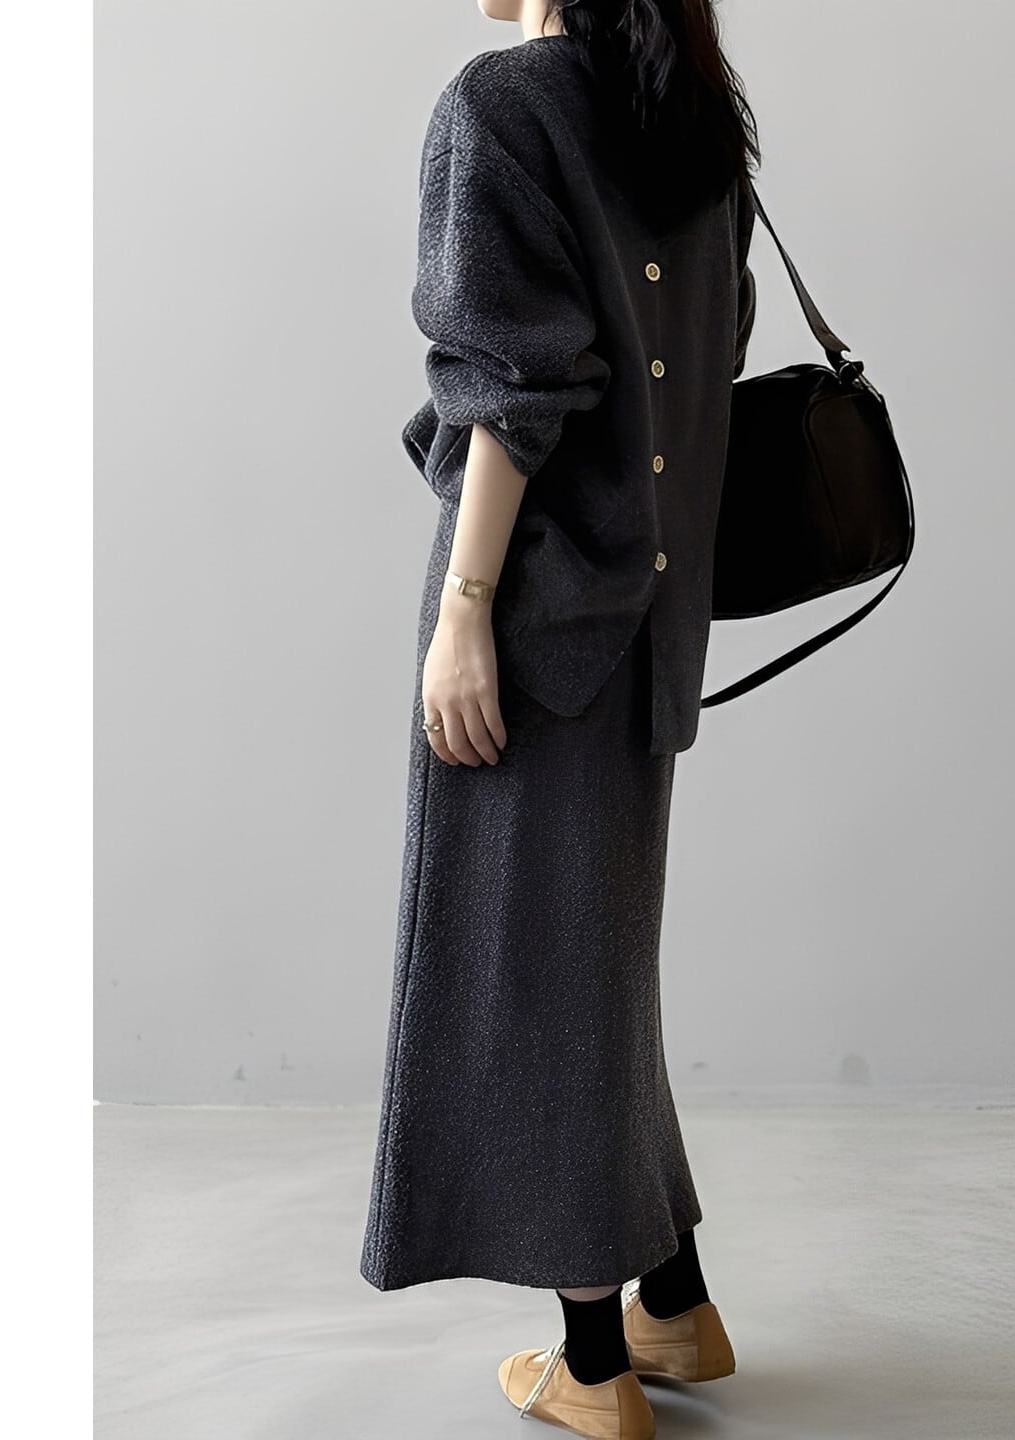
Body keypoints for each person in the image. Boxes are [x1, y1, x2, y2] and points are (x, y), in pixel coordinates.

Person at [360, 2, 758, 1435]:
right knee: (594, 965)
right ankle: (673, 1307)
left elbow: (510, 389)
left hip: (535, 622)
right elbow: (712, 345)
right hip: (650, 619)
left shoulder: (503, 104)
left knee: (531, 975)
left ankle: (592, 1370)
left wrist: (466, 609)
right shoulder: (691, 113)